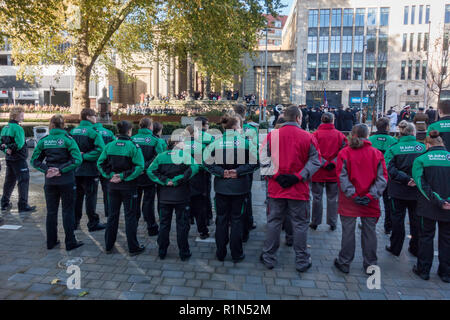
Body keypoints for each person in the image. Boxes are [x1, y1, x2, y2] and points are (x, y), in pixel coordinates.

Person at [260, 106, 321, 272]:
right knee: (300, 225)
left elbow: (263, 159)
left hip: (276, 188)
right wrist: (298, 176)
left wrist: (276, 175)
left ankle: (269, 257)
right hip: (298, 190)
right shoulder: (307, 136)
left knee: (274, 223)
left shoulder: (272, 135)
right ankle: (301, 261)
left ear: (285, 117)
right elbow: (316, 161)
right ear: (299, 118)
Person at [203, 114, 258, 263]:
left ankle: (220, 253)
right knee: (237, 220)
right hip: (239, 188)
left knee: (221, 220)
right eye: (240, 126)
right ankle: (236, 254)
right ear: (235, 127)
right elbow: (256, 162)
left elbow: (205, 161)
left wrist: (221, 172)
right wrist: (238, 172)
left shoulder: (216, 142)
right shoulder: (245, 142)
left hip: (221, 188)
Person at [334, 124, 388, 274]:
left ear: (353, 134)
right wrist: (371, 195)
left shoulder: (345, 153)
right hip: (370, 201)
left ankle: (344, 262)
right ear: (367, 135)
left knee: (348, 232)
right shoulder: (376, 154)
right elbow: (382, 178)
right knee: (370, 232)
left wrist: (353, 194)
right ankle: (370, 264)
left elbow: (341, 177)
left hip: (349, 200)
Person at [30, 115, 84, 251]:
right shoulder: (68, 140)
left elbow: (34, 161)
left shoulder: (44, 141)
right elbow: (77, 160)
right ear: (63, 125)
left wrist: (47, 169)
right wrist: (60, 170)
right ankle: (70, 242)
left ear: (51, 125)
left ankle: (51, 241)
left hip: (50, 181)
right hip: (66, 180)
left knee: (51, 212)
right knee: (68, 211)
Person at [97, 120, 145, 256]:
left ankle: (108, 245)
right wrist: (123, 176)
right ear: (129, 131)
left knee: (112, 216)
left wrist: (110, 175)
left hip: (112, 185)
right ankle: (133, 247)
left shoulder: (109, 145)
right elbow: (140, 166)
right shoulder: (133, 146)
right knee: (130, 216)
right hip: (128, 186)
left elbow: (100, 163)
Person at [147, 138, 199, 260]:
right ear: (175, 144)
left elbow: (151, 171)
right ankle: (184, 252)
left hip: (164, 196)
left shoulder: (161, 156)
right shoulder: (184, 155)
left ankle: (162, 251)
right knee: (182, 225)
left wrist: (165, 181)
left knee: (164, 224)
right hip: (182, 196)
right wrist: (177, 180)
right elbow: (195, 167)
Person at [412, 131, 450, 283]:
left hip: (428, 206)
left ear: (427, 144)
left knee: (426, 237)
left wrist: (438, 200)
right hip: (448, 207)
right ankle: (446, 272)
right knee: (447, 239)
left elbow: (421, 184)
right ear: (442, 143)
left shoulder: (421, 159)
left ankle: (423, 270)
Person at [384, 121, 425, 257]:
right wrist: (414, 179)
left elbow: (389, 169)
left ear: (400, 133)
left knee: (397, 220)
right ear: (413, 133)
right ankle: (415, 248)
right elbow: (426, 168)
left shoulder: (393, 148)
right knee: (416, 220)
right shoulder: (422, 148)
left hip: (398, 191)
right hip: (417, 191)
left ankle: (395, 248)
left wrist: (406, 179)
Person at [310, 112, 348, 231]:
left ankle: (315, 222)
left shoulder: (314, 135)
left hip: (318, 171)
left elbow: (312, 152)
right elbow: (345, 151)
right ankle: (332, 222)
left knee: (317, 197)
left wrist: (323, 162)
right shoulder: (340, 135)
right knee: (333, 198)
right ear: (333, 120)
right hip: (333, 171)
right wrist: (333, 162)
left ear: (321, 120)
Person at [70, 108, 106, 231]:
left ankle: (74, 222)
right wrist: (84, 156)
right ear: (89, 117)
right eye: (94, 116)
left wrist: (77, 157)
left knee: (77, 197)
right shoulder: (93, 132)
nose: (96, 118)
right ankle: (92, 223)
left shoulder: (73, 131)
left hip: (75, 170)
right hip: (90, 170)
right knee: (91, 197)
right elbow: (101, 150)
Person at [131, 118, 166, 236]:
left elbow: (129, 156)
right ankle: (151, 227)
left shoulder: (132, 138)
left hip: (135, 175)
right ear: (150, 126)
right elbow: (159, 158)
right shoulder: (155, 140)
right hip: (148, 176)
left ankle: (133, 227)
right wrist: (145, 167)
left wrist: (138, 167)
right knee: (148, 202)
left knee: (135, 201)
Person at [0, 107, 36, 213]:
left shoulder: (5, 127)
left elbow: (1, 143)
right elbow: (20, 144)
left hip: (9, 159)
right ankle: (23, 205)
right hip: (19, 159)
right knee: (23, 180)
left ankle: (4, 203)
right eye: (21, 115)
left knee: (9, 181)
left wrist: (6, 149)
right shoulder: (18, 128)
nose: (23, 117)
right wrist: (11, 148)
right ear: (15, 116)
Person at [233, 104, 258, 241]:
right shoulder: (251, 129)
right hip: (246, 167)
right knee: (246, 195)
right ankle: (248, 221)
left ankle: (234, 221)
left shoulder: (228, 127)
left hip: (229, 168)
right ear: (245, 113)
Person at [369, 117, 398, 234]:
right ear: (387, 127)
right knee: (388, 202)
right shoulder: (393, 141)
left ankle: (368, 223)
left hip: (372, 174)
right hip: (388, 175)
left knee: (370, 199)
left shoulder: (370, 139)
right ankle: (388, 225)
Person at [183, 125, 209, 239]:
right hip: (198, 180)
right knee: (200, 208)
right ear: (193, 134)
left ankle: (184, 229)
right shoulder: (202, 146)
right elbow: (205, 165)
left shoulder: (179, 146)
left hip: (183, 180)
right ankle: (203, 231)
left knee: (184, 207)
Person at [195, 116, 215, 225]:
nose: (208, 126)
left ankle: (191, 216)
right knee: (205, 194)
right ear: (203, 125)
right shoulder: (209, 137)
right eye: (207, 124)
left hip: (190, 170)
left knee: (191, 194)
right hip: (204, 171)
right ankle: (207, 217)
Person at [93, 122, 116, 218]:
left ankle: (91, 216)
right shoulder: (109, 133)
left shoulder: (90, 131)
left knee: (92, 194)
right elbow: (114, 147)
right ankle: (109, 212)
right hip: (106, 166)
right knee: (107, 190)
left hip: (91, 165)